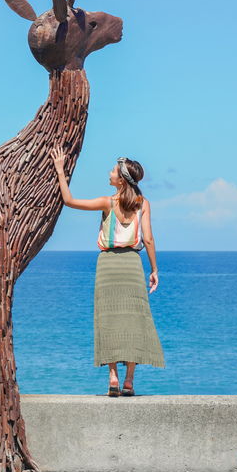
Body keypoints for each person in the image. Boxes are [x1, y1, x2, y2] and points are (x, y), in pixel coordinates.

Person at [50, 146, 164, 396]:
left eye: (113, 171)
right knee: (135, 321)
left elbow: (69, 201)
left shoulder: (106, 203)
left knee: (108, 320)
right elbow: (149, 240)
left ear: (121, 179)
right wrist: (154, 270)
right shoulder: (143, 204)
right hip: (133, 265)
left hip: (108, 265)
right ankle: (129, 381)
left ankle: (113, 377)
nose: (109, 173)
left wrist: (60, 170)